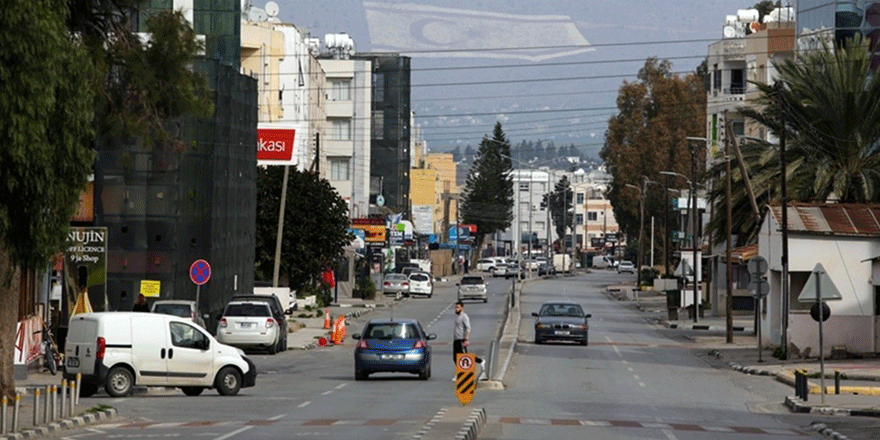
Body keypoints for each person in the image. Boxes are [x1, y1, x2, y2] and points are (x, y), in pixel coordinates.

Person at [453, 301, 484, 380]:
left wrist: (466, 339)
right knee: (456, 358)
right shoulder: (458, 316)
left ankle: (481, 361)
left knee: (463, 357)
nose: (456, 309)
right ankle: (459, 372)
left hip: (461, 340)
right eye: (456, 307)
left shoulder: (464, 317)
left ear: (462, 308)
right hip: (456, 340)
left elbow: (468, 328)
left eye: (458, 307)